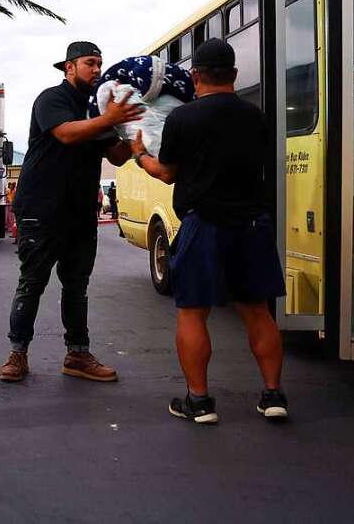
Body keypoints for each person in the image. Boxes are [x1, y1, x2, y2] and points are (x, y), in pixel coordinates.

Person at [130, 38, 288, 424]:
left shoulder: (183, 120)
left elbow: (166, 173)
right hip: (252, 224)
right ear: (234, 75)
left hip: (204, 225)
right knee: (258, 311)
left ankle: (199, 402)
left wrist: (139, 155)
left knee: (193, 312)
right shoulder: (257, 117)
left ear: (196, 76)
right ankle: (272, 396)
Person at [0, 41, 141, 384]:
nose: (96, 69)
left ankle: (77, 354)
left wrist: (140, 135)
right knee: (32, 282)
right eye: (90, 63)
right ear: (69, 67)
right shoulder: (53, 99)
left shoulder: (100, 108)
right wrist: (108, 118)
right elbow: (65, 134)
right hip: (41, 207)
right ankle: (17, 354)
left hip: (79, 210)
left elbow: (118, 155)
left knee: (77, 284)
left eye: (99, 64)